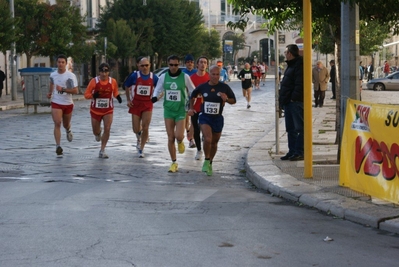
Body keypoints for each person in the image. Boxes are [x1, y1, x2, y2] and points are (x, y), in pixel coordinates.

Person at [188, 65, 236, 176]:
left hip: (218, 118)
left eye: (217, 74)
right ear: (209, 74)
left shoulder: (224, 87)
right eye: (213, 74)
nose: (215, 77)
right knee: (207, 138)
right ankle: (206, 159)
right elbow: (193, 95)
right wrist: (191, 107)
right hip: (205, 116)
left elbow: (234, 100)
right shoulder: (203, 87)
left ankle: (210, 162)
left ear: (220, 75)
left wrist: (226, 99)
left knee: (214, 143)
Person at [151, 55, 195, 173]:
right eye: (171, 65)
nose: (174, 67)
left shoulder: (185, 77)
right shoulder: (163, 77)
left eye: (176, 65)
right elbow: (158, 89)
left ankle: (180, 141)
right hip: (168, 110)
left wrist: (192, 103)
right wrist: (154, 97)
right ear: (168, 65)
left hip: (181, 110)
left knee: (178, 136)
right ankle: (174, 162)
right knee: (170, 137)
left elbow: (192, 90)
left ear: (179, 64)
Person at [84, 63, 122, 158]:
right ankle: (98, 133)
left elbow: (115, 91)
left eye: (106, 72)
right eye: (102, 72)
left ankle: (102, 149)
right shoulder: (94, 81)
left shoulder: (112, 81)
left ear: (109, 72)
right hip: (95, 110)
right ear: (99, 72)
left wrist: (118, 97)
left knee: (107, 128)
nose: (104, 74)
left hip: (108, 110)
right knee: (95, 131)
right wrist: (93, 95)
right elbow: (86, 95)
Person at [124, 57, 159, 158]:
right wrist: (128, 100)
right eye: (142, 65)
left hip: (147, 104)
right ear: (139, 65)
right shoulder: (135, 76)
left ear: (150, 65)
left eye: (146, 65)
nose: (144, 67)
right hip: (136, 104)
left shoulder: (154, 77)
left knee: (146, 126)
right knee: (135, 128)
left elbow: (160, 88)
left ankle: (141, 148)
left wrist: (157, 97)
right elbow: (126, 85)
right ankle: (139, 135)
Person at [47, 54, 79, 157]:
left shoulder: (70, 76)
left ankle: (68, 130)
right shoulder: (53, 75)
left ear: (66, 64)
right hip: (56, 102)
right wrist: (50, 92)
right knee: (57, 122)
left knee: (65, 124)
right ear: (56, 63)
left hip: (67, 103)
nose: (60, 64)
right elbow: (52, 83)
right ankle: (58, 146)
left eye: (62, 62)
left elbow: (75, 90)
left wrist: (63, 89)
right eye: (59, 62)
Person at [278, 44, 304, 161]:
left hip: (295, 102)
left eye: (286, 53)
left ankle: (299, 151)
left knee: (299, 128)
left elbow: (299, 84)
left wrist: (293, 98)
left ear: (290, 53)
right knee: (290, 129)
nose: (285, 55)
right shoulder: (290, 65)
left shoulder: (299, 65)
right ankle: (292, 151)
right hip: (288, 102)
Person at [189, 56, 210, 160]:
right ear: (197, 64)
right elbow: (189, 94)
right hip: (195, 108)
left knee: (204, 127)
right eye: (201, 62)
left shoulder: (209, 77)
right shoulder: (192, 78)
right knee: (196, 129)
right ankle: (199, 150)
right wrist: (190, 107)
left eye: (205, 62)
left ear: (207, 65)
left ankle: (205, 144)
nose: (203, 64)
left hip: (206, 108)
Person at [182, 54, 197, 148]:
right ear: (185, 63)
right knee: (186, 119)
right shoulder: (182, 73)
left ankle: (192, 136)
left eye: (191, 62)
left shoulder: (196, 72)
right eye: (187, 62)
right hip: (186, 99)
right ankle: (190, 138)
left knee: (195, 120)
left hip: (196, 98)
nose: (189, 64)